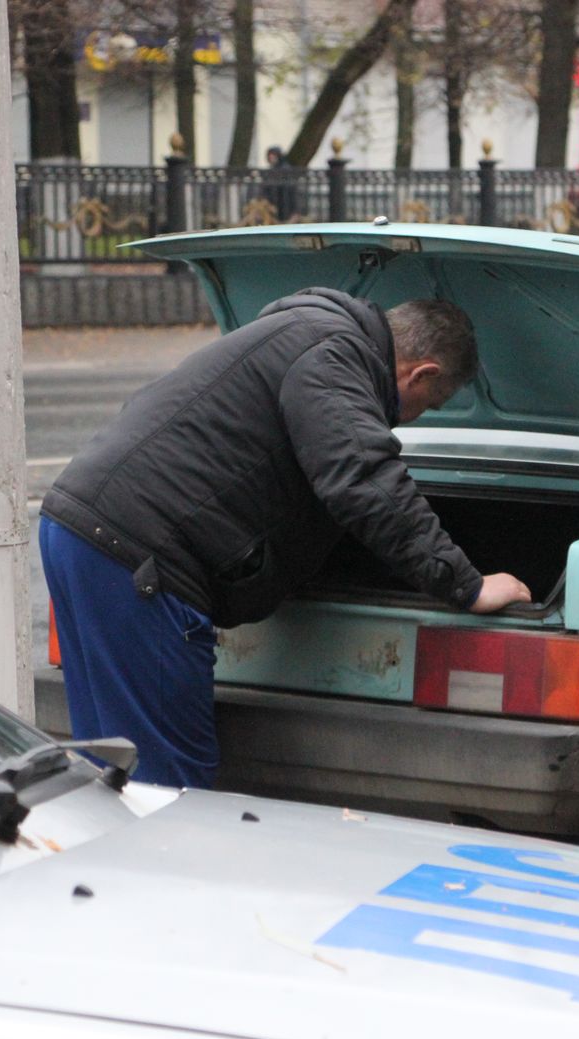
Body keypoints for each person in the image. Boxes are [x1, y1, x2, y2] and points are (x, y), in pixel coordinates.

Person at [40, 290, 530, 788]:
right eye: (431, 404)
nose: (418, 418)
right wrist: (465, 584)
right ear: (419, 374)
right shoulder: (335, 358)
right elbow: (362, 477)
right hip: (140, 557)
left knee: (112, 771)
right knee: (170, 787)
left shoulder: (303, 331)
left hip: (78, 529)